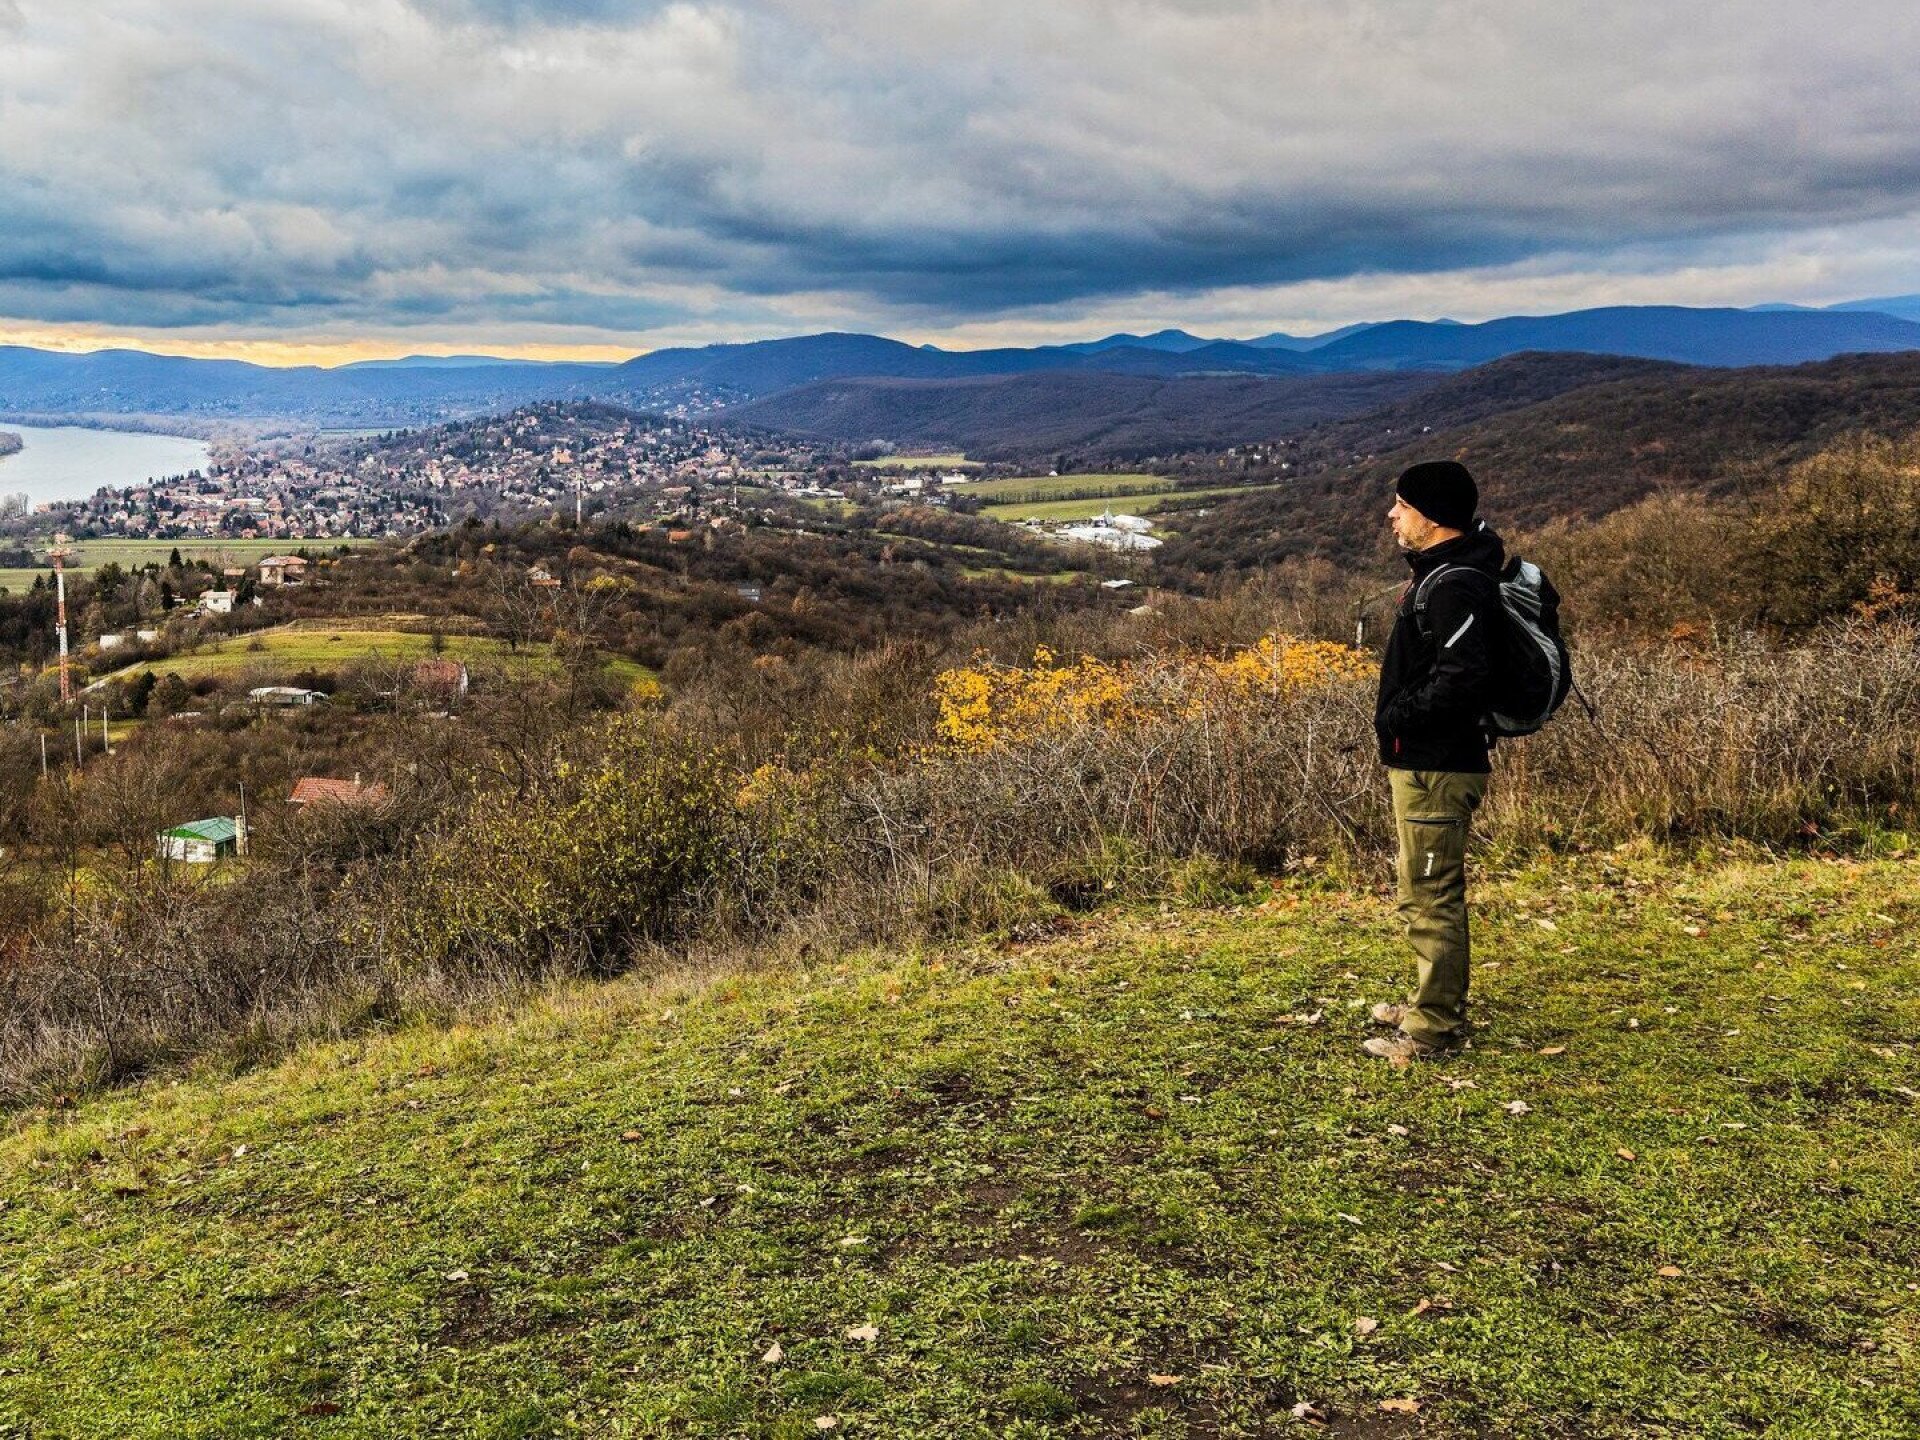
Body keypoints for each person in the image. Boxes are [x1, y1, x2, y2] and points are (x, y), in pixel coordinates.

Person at [1364, 460, 1506, 1062]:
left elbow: (1462, 680)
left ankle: (1433, 1027)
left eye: (1401, 504)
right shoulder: (1447, 577)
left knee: (1431, 892)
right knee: (1421, 888)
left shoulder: (1453, 586)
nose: (1391, 515)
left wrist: (1398, 716)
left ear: (1432, 514)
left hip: (1436, 765)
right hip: (1429, 763)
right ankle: (1431, 1001)